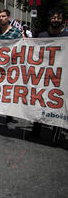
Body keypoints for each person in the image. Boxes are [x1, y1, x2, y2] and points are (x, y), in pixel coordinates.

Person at [31, 8, 67, 143]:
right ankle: (36, 130)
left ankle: (55, 134)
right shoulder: (42, 36)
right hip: (42, 76)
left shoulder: (66, 37)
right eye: (53, 18)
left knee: (58, 105)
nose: (56, 20)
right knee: (39, 101)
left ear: (62, 20)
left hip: (60, 78)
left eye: (58, 18)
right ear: (50, 19)